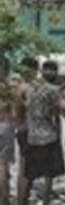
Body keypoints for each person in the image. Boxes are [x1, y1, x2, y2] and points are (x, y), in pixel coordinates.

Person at [19, 60, 65, 205]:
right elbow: (57, 113)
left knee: (28, 174)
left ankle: (22, 201)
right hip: (49, 138)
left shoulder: (29, 88)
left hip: (32, 137)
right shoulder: (53, 90)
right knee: (48, 176)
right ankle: (45, 202)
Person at [14, 57, 38, 205]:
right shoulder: (27, 88)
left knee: (25, 167)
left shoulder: (18, 86)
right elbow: (24, 109)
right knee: (26, 168)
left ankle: (22, 199)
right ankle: (22, 200)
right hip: (28, 131)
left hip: (21, 129)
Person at [0, 55, 15, 204]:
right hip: (5, 126)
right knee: (3, 165)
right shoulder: (9, 87)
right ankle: (4, 198)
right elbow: (14, 112)